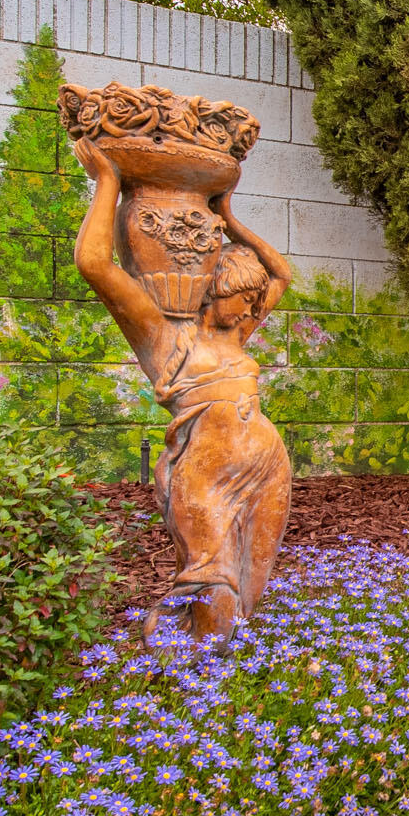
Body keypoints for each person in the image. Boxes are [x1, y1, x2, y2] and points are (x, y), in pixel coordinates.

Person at [69, 134, 295, 635]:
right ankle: (185, 669)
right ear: (218, 289)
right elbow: (95, 265)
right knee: (210, 580)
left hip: (266, 466)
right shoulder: (168, 340)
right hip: (203, 478)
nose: (258, 308)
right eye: (247, 298)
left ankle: (218, 668)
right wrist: (109, 182)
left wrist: (230, 218)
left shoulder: (239, 333)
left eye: (256, 302)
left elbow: (281, 274)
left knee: (248, 585)